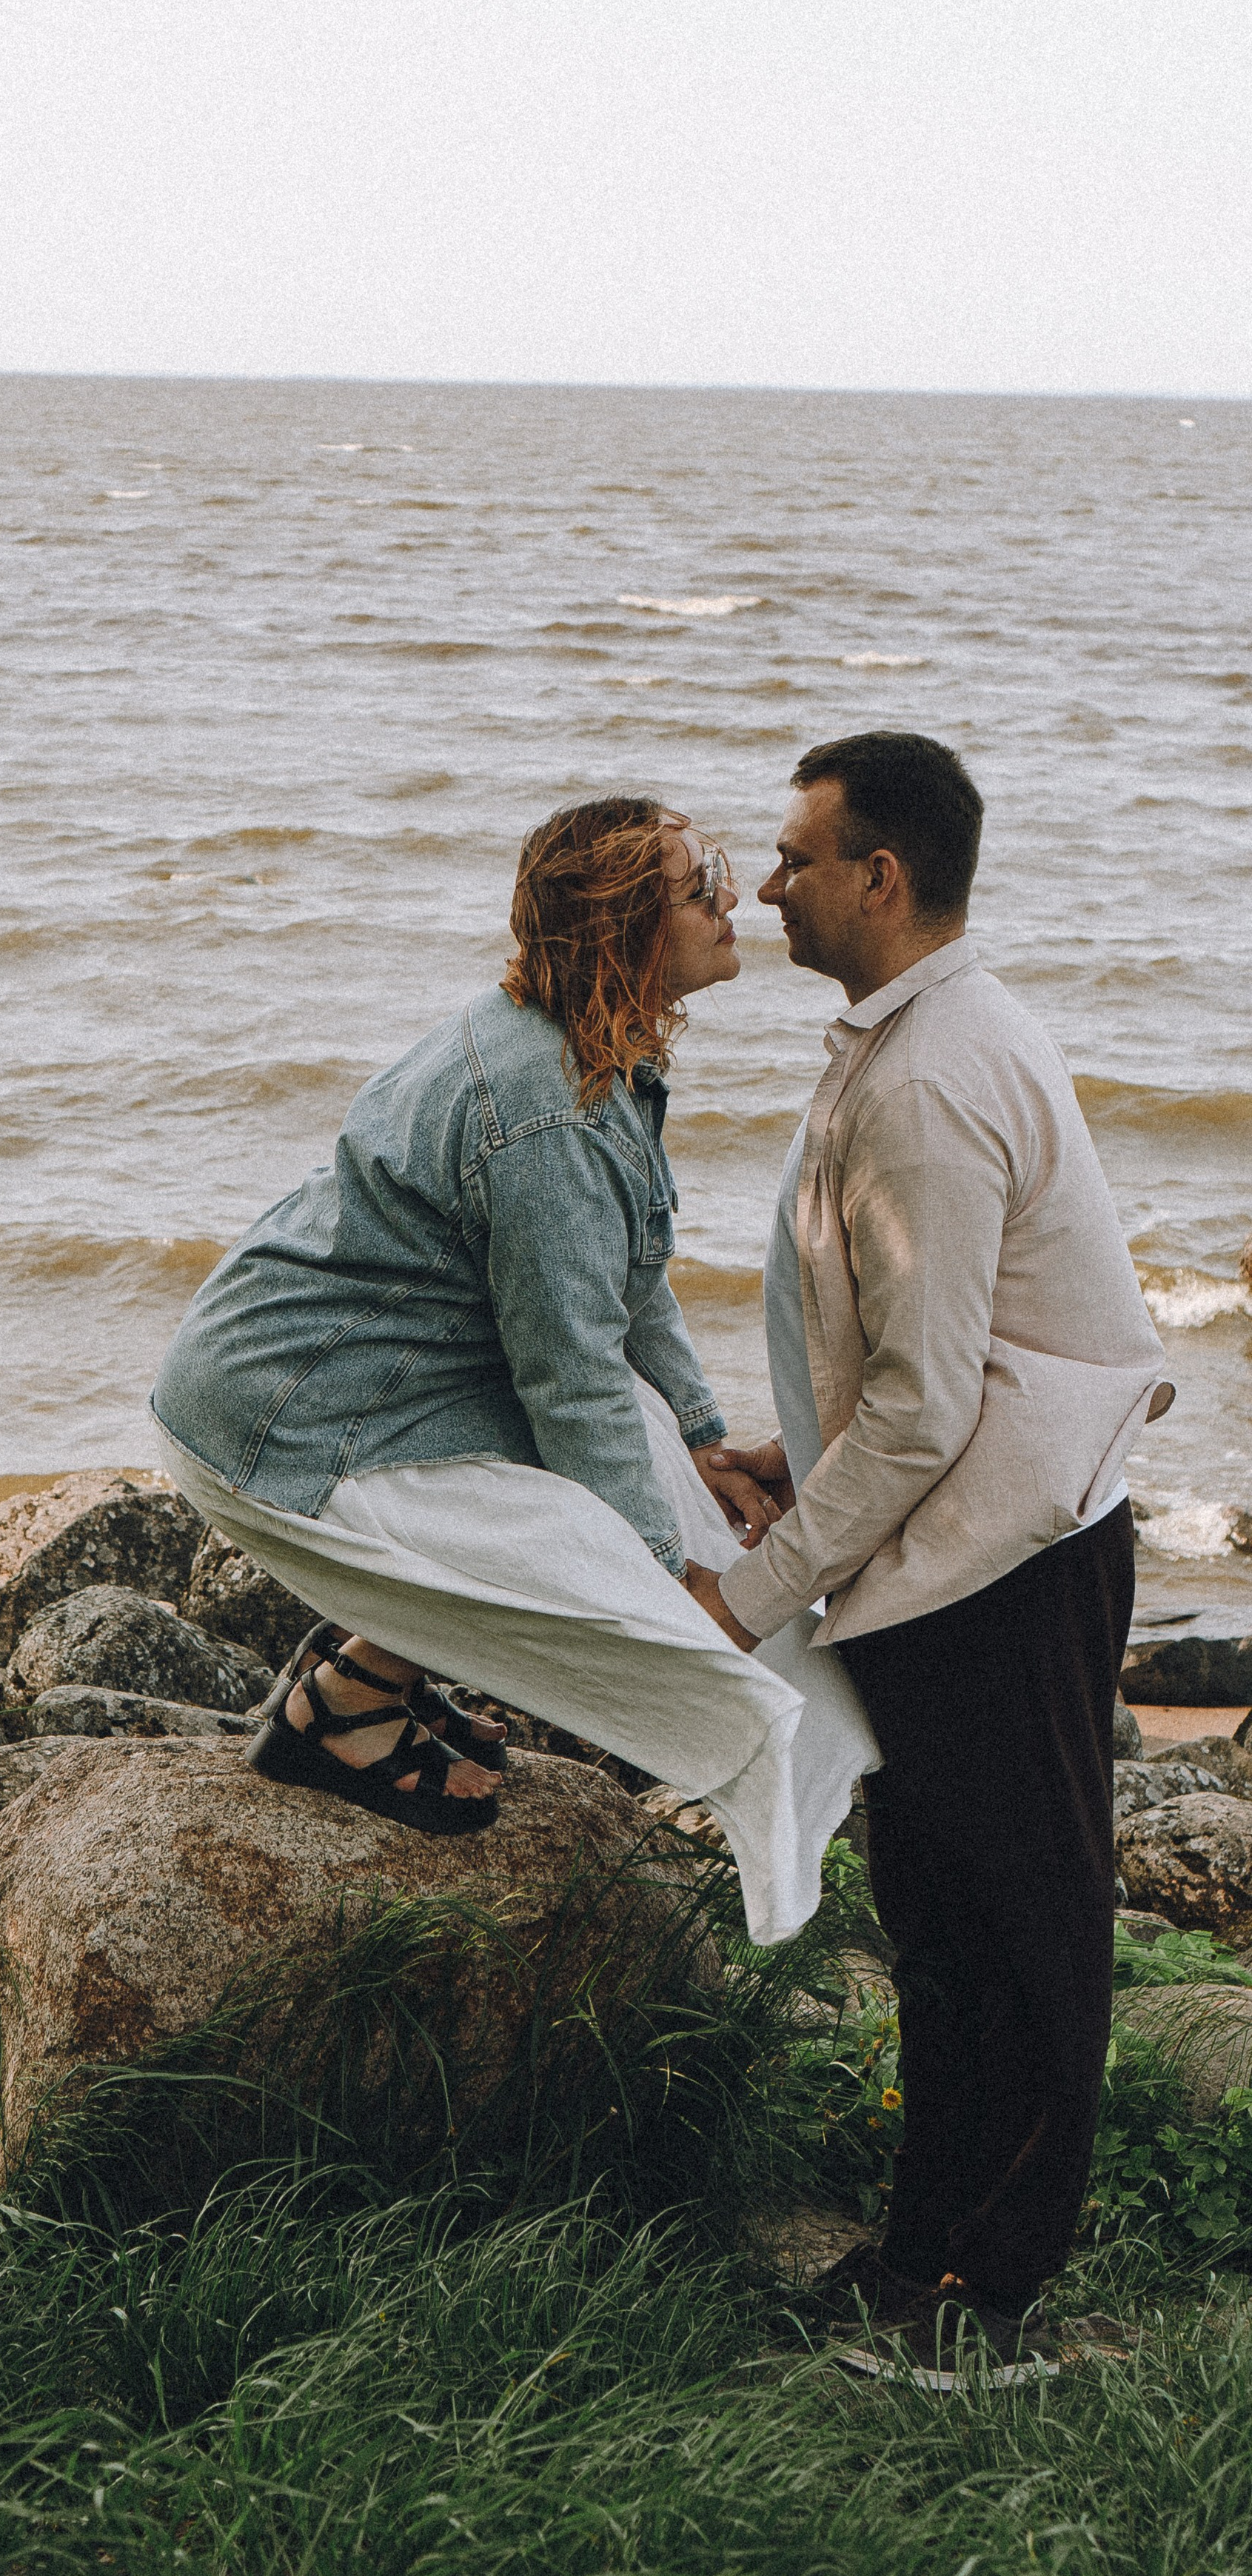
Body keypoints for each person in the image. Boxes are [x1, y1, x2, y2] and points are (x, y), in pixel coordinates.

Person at [151, 794, 876, 1946]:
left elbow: (624, 1285)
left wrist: (700, 1436)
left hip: (371, 1376)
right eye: (702, 887)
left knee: (644, 1503)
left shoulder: (591, 1052)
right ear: (625, 934)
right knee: (617, 1579)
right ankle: (337, 1716)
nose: (733, 899)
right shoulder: (545, 1106)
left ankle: (365, 1676)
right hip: (290, 1416)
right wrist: (661, 1577)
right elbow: (573, 1378)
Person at [697, 730, 1168, 2389]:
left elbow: (921, 1405)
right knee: (944, 1924)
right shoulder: (914, 1030)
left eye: (793, 855)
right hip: (946, 1542)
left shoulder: (924, 1075)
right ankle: (924, 2249)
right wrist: (791, 1461)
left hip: (1001, 1560)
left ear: (876, 878)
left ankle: (988, 2296)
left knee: (1020, 1924)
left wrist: (742, 1595)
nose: (767, 883)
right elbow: (895, 1375)